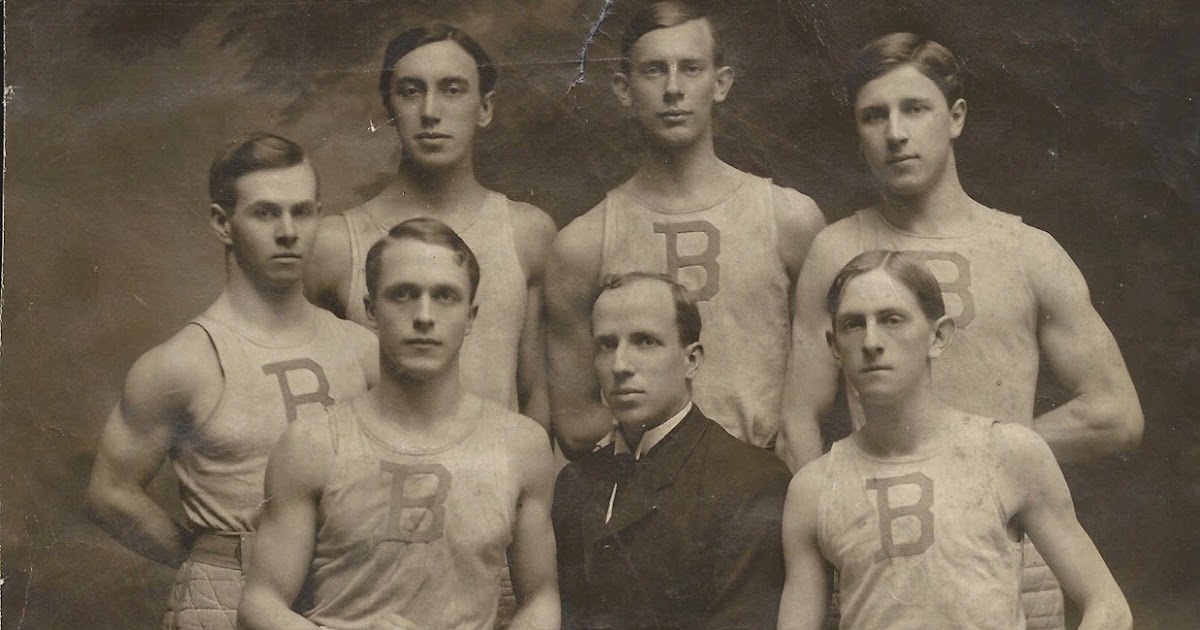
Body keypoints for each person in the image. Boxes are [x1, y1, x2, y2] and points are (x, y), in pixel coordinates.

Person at [778, 33, 1144, 628]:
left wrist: (984, 468)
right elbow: (798, 418)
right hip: (880, 546)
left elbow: (1114, 412)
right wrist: (841, 535)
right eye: (874, 116)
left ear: (955, 117)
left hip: (1015, 543)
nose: (895, 132)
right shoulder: (837, 249)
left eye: (914, 108)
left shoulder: (1027, 251)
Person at [85, 133, 378, 630]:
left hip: (348, 590)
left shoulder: (363, 350)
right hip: (228, 600)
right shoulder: (183, 363)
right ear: (223, 223)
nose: (288, 231)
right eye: (266, 214)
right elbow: (109, 493)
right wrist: (207, 558)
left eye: (302, 212)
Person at [778, 250, 1132, 630]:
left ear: (938, 336)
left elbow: (1108, 605)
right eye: (853, 324)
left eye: (892, 319)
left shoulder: (1008, 453)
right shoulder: (813, 489)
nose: (872, 341)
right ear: (834, 347)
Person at [240, 218, 559, 630]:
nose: (424, 316)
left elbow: (540, 599)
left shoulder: (520, 446)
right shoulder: (312, 443)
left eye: (445, 296)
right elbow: (259, 604)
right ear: (371, 311)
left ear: (471, 315)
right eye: (403, 295)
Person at [546, 1, 825, 458]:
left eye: (690, 68)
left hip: (762, 485)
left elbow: (817, 399)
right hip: (642, 483)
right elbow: (576, 423)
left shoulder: (789, 218)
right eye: (654, 71)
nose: (673, 88)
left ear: (720, 83)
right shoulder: (583, 243)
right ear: (623, 89)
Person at [305, 22, 555, 429]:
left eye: (452, 90)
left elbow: (536, 398)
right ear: (389, 109)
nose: (430, 112)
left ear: (485, 108)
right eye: (411, 91)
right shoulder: (336, 244)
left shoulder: (527, 233)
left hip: (494, 481)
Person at [552, 272, 791, 629]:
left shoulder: (753, 482)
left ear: (691, 360)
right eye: (606, 345)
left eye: (645, 342)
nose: (620, 365)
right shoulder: (575, 483)